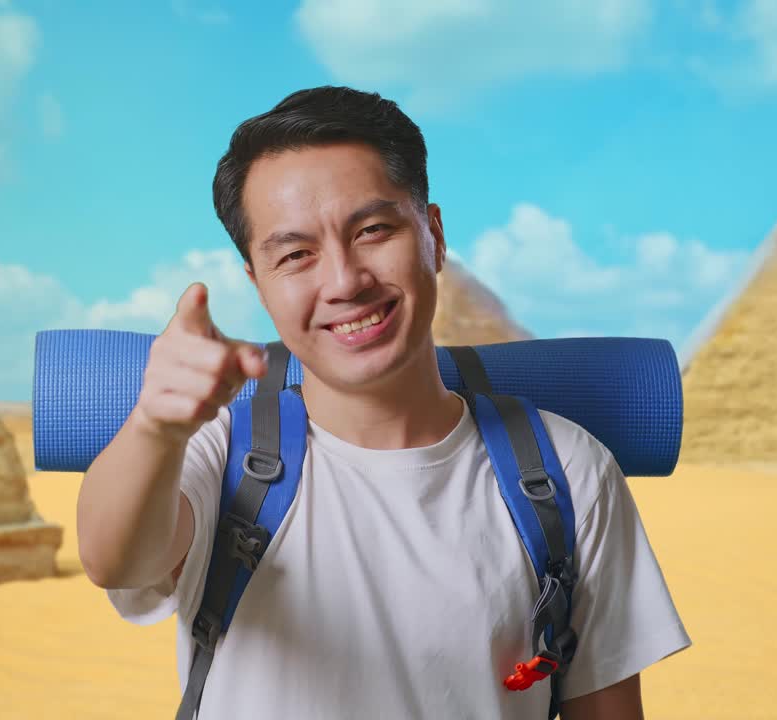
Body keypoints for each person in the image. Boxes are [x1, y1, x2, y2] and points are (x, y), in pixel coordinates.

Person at [76, 85, 691, 719]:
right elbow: (116, 558)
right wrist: (155, 424)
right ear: (257, 284)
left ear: (435, 235)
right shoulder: (224, 455)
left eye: (373, 230)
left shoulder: (569, 471)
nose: (345, 281)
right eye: (295, 255)